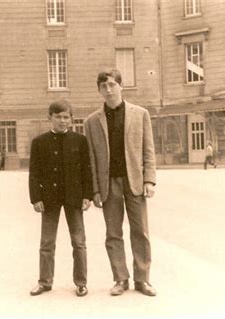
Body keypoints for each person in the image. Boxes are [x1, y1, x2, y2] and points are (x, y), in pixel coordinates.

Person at [84, 69, 157, 297]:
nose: (108, 90)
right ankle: (120, 278)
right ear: (99, 90)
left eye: (112, 85)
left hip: (134, 180)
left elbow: (148, 149)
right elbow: (92, 159)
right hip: (109, 184)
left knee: (140, 231)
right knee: (113, 233)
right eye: (103, 86)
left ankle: (142, 279)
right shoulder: (91, 121)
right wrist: (95, 189)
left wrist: (149, 179)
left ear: (121, 86)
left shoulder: (140, 114)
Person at [29, 100, 93, 297]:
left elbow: (86, 171)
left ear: (72, 119)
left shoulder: (80, 141)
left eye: (66, 117)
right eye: (58, 117)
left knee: (79, 242)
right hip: (49, 199)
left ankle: (81, 282)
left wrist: (87, 195)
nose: (63, 121)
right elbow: (34, 174)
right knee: (47, 242)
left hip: (74, 198)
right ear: (50, 118)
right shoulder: (39, 142)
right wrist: (36, 198)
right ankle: (45, 281)